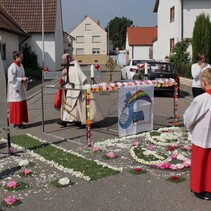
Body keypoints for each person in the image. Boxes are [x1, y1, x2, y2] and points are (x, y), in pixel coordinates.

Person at [183, 67, 211, 200]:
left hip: (202, 137)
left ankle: (199, 189)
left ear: (204, 83)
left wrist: (187, 125)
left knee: (200, 164)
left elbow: (189, 117)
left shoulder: (201, 99)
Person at [57, 53, 104, 127]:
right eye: (62, 59)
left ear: (68, 58)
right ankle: (67, 120)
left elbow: (78, 76)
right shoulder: (67, 66)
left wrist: (76, 85)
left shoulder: (74, 65)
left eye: (64, 59)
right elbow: (65, 78)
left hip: (79, 89)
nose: (62, 61)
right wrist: (63, 75)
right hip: (71, 89)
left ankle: (82, 121)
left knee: (80, 107)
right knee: (70, 106)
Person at [7, 51, 29, 129]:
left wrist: (25, 79)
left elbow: (22, 76)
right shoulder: (12, 67)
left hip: (21, 88)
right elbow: (11, 79)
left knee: (21, 106)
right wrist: (21, 79)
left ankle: (20, 122)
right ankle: (16, 124)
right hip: (15, 90)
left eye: (22, 57)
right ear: (16, 57)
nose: (22, 58)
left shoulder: (21, 65)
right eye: (21, 57)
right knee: (16, 107)